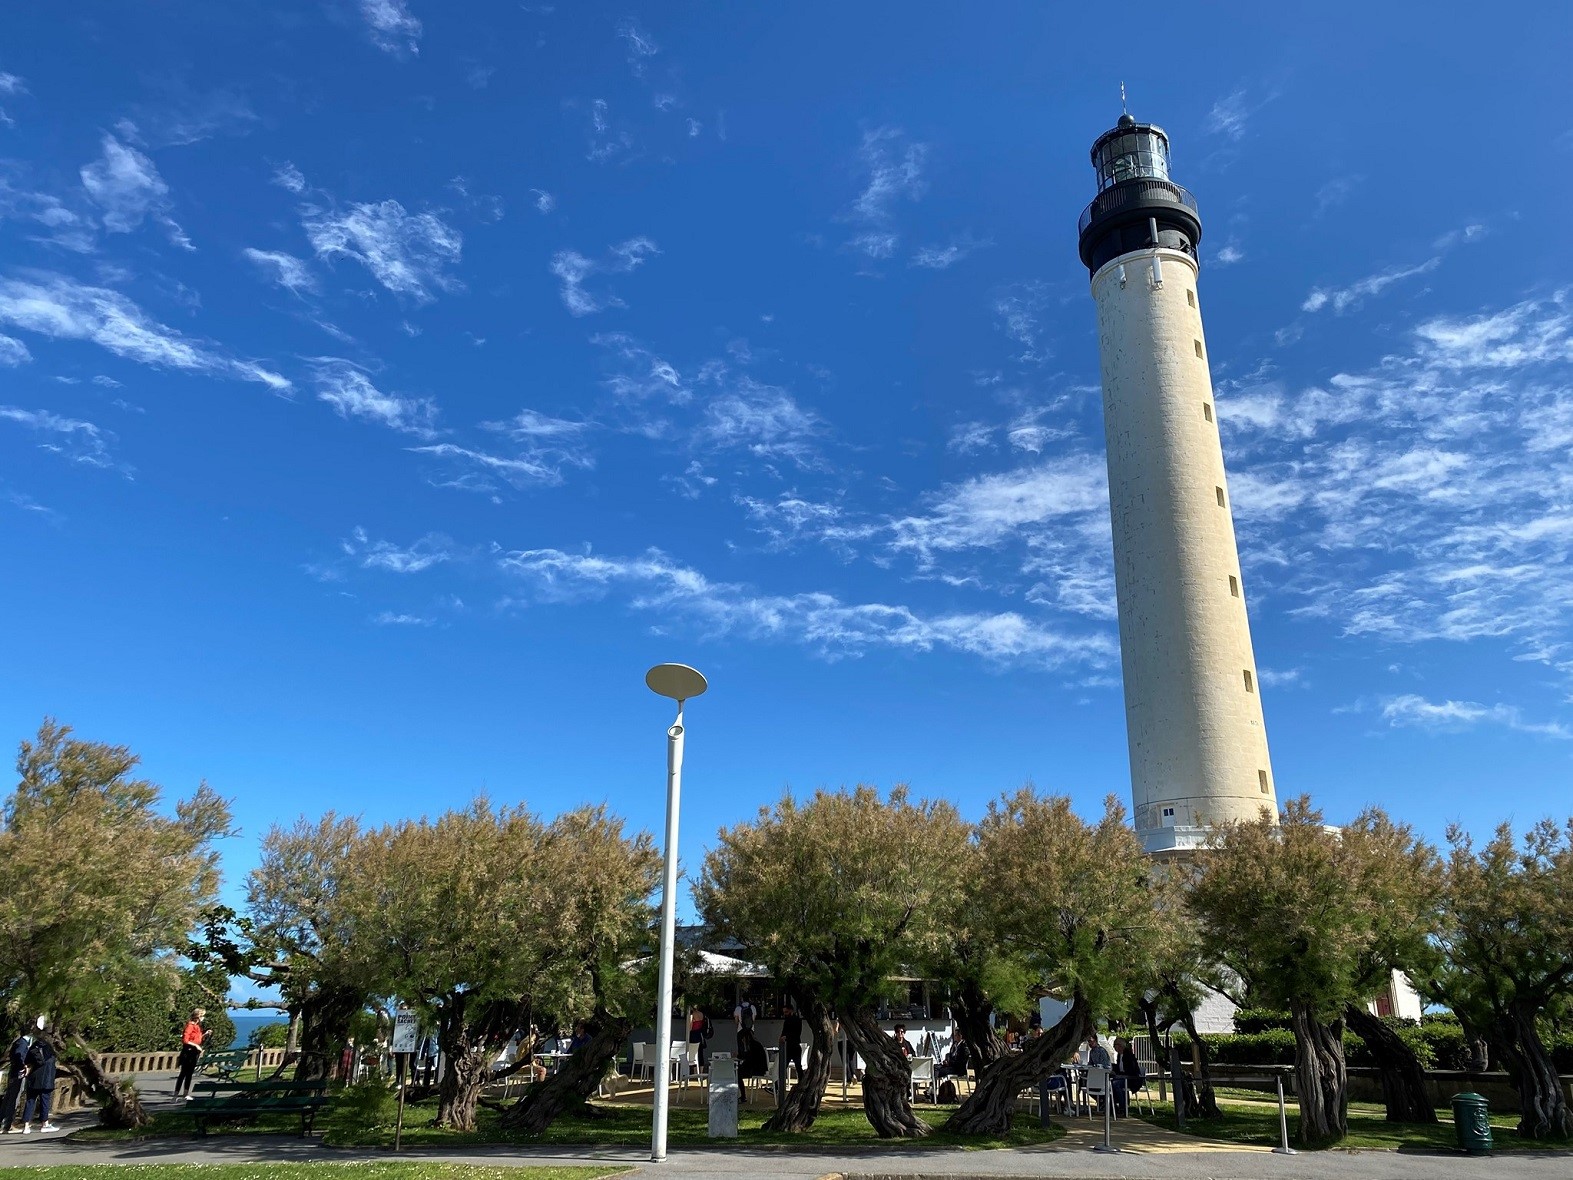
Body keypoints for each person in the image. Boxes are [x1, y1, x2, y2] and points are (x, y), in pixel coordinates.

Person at [20, 1032, 56, 1133]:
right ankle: (44, 1123)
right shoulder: (50, 1049)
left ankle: (26, 1126)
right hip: (46, 1079)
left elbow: (26, 1061)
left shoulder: (33, 1048)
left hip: (34, 1078)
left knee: (30, 1101)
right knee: (45, 1101)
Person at [1, 1026, 31, 1133]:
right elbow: (19, 1056)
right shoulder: (22, 1043)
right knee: (13, 1098)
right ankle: (7, 1124)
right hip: (18, 1074)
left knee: (9, 1097)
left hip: (14, 1072)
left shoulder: (18, 1042)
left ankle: (3, 1122)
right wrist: (24, 1066)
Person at [173, 1008, 206, 1099]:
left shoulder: (197, 1027)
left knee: (189, 1074)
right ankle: (176, 1094)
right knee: (183, 1073)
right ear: (198, 1017)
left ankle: (186, 1093)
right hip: (188, 1052)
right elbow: (185, 1040)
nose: (203, 1018)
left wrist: (205, 1035)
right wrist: (196, 1046)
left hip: (194, 1053)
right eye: (202, 1016)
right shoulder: (190, 1026)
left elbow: (196, 1039)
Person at [1112, 1036, 1144, 1116]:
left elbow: (1130, 1070)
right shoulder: (1119, 1055)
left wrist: (1120, 1074)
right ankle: (1114, 1105)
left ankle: (1123, 1108)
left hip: (1131, 1079)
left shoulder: (1128, 1055)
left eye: (1115, 1045)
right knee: (1111, 1082)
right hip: (1123, 1077)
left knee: (1116, 1084)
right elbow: (1120, 1068)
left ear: (1120, 1046)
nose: (1114, 1047)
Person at [779, 1002, 803, 1080]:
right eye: (784, 1012)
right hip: (788, 1046)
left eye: (786, 1012)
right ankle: (778, 1083)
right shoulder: (787, 1020)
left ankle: (801, 1081)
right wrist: (781, 1038)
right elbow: (784, 1031)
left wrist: (786, 1037)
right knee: (783, 1066)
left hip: (794, 1046)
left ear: (791, 1011)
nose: (785, 1014)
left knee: (798, 1066)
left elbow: (796, 1033)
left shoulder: (797, 1020)